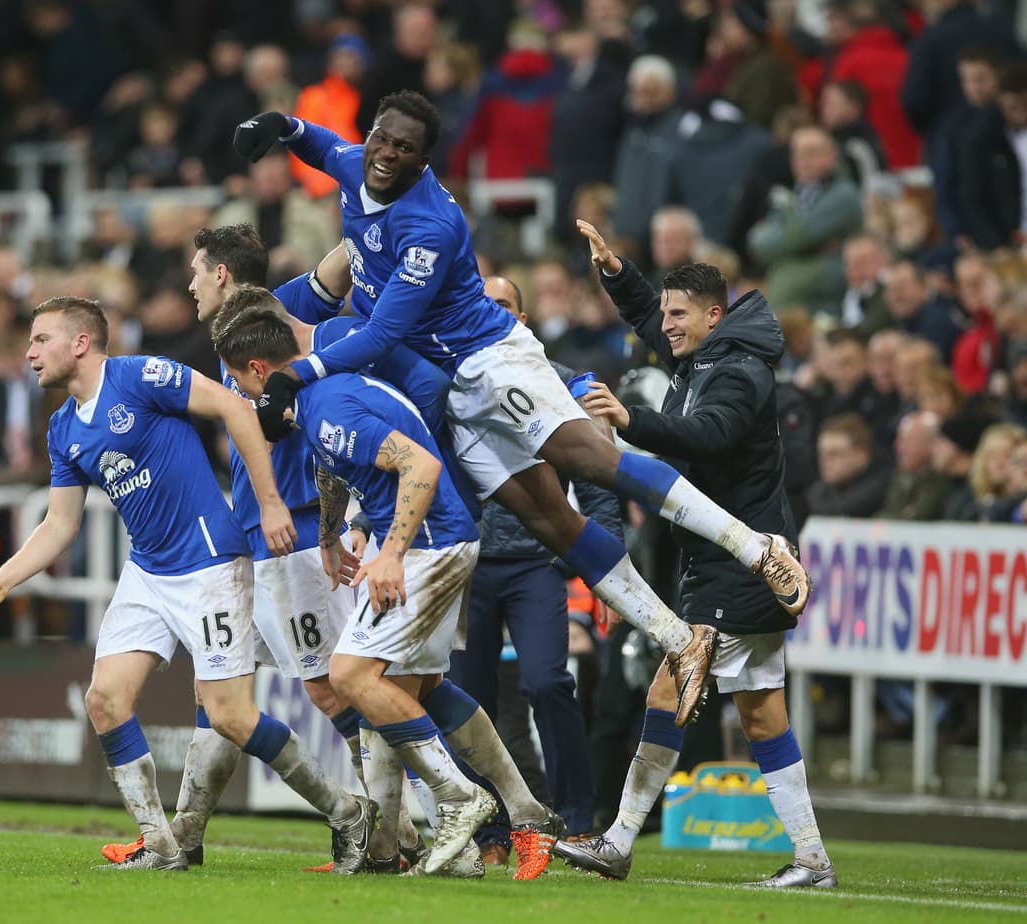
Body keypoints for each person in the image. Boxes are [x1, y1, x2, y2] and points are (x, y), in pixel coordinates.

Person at [230, 91, 811, 728]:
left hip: (487, 358)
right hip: (452, 385)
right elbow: (324, 147)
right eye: (382, 139)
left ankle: (757, 548)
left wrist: (299, 374)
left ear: (424, 160)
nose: (387, 154)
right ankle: (677, 638)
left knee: (588, 458)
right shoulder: (357, 164)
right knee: (548, 519)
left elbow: (383, 332)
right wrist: (283, 126)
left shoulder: (430, 226)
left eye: (404, 148)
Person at [0, 296, 374, 873]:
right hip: (148, 571)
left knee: (230, 715)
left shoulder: (139, 376)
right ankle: (160, 843)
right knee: (104, 700)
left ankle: (347, 812)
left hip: (209, 565)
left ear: (81, 343)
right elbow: (59, 524)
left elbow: (234, 407)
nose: (29, 352)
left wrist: (270, 502)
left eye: (41, 339)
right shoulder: (62, 428)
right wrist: (4, 579)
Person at [212, 287, 564, 877]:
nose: (241, 399)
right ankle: (523, 814)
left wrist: (393, 554)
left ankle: (459, 798)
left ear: (259, 371)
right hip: (437, 542)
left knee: (350, 676)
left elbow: (420, 465)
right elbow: (334, 470)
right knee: (416, 690)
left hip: (431, 548)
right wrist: (330, 535)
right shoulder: (318, 401)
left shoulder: (329, 407)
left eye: (239, 383)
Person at [553, 223, 837, 889]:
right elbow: (649, 318)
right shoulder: (706, 356)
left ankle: (620, 839)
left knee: (670, 684)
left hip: (742, 564)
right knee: (762, 711)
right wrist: (617, 272)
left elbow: (708, 435)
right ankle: (813, 861)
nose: (666, 326)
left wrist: (631, 420)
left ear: (714, 316)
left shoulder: (738, 372)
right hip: (726, 559)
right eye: (666, 313)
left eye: (679, 315)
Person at [446, 275, 609, 851]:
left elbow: (598, 475)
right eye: (482, 304)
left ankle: (577, 819)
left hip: (536, 564)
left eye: (503, 305)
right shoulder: (448, 378)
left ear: (521, 320)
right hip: (467, 568)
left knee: (547, 683)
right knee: (470, 701)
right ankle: (489, 831)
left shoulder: (552, 380)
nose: (490, 312)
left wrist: (607, 568)